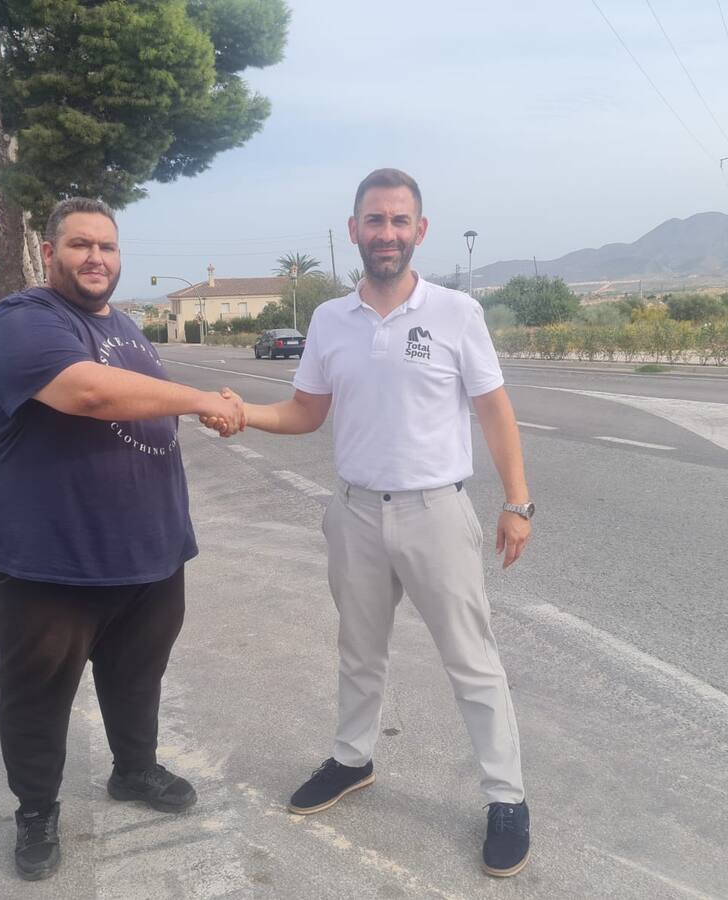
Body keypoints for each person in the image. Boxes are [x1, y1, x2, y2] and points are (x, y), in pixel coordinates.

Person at [215, 169, 536, 877]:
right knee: (359, 651)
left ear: (419, 231)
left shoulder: (456, 312)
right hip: (355, 511)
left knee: (472, 661)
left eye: (399, 221)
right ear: (354, 229)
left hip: (437, 512)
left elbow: (493, 410)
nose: (386, 233)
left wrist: (517, 502)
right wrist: (245, 415)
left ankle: (506, 797)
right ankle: (352, 759)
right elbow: (306, 413)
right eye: (374, 220)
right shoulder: (330, 321)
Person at [0, 197, 244, 881]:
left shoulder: (123, 325)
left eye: (108, 247)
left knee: (137, 675)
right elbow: (90, 395)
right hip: (49, 559)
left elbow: (141, 401)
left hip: (147, 553)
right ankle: (35, 811)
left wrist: (185, 414)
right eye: (81, 244)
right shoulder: (22, 321)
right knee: (38, 692)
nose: (96, 258)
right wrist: (203, 399)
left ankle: (134, 770)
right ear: (50, 253)